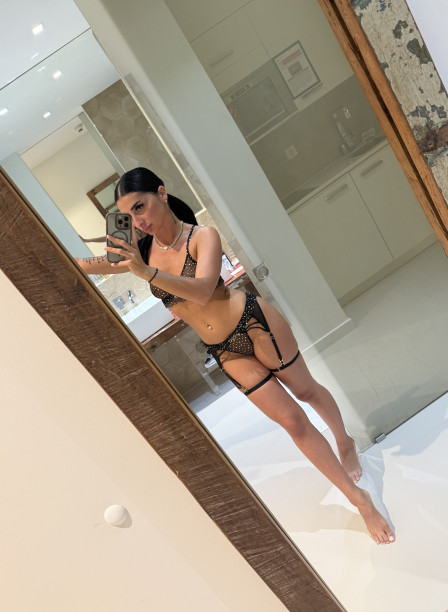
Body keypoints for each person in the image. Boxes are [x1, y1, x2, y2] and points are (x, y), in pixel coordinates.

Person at [76, 167, 395, 545]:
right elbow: (85, 267)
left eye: (140, 206)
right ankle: (359, 500)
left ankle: (343, 441)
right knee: (293, 423)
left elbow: (202, 290)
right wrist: (88, 251)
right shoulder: (141, 253)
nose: (138, 220)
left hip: (255, 323)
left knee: (306, 391)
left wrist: (145, 272)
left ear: (161, 193)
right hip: (226, 350)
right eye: (128, 215)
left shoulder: (201, 236)